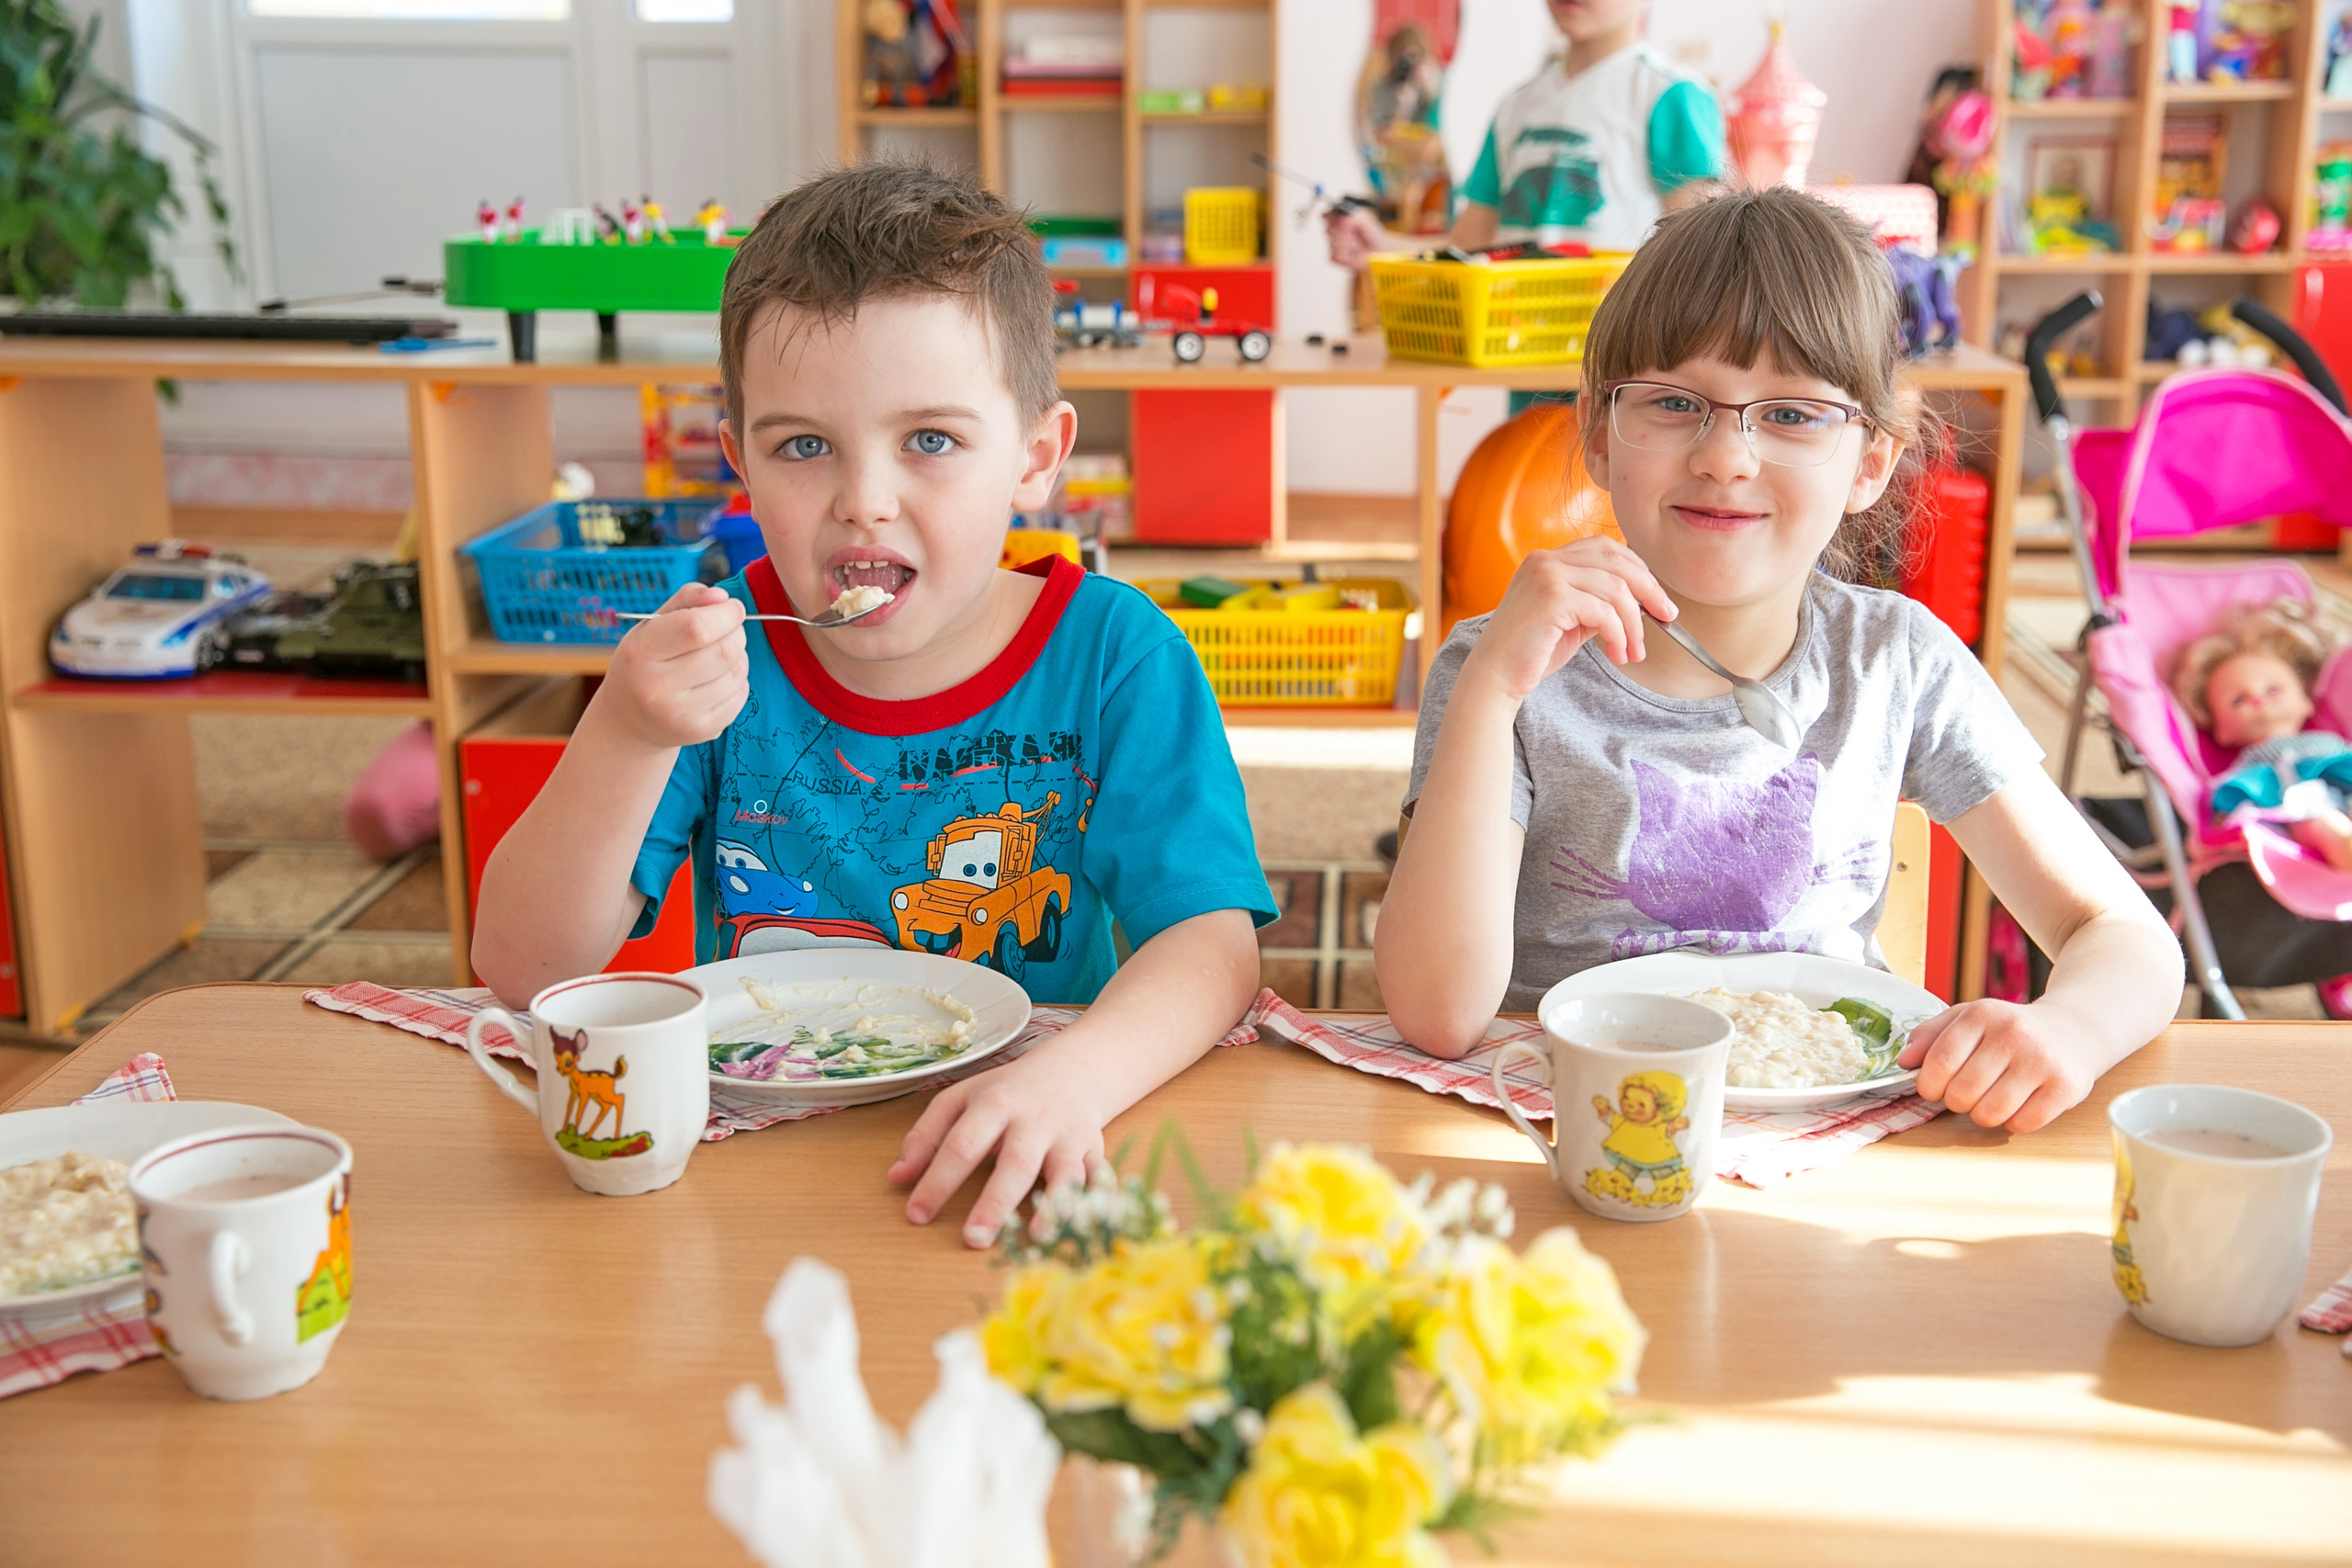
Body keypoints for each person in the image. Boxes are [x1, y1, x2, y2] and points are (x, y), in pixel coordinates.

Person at [473, 162, 1274, 1243]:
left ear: (1036, 456)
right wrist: (624, 733)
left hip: (1017, 1146)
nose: (864, 501)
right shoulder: (716, 661)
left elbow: (1212, 946)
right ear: (741, 465)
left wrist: (1076, 1079)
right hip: (756, 1162)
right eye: (804, 446)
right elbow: (524, 969)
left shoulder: (1116, 655)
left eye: (930, 441)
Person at [1376, 186, 2183, 1134]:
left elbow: (2124, 937)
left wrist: (2071, 1028)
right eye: (1674, 403)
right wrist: (1491, 692)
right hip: (1575, 1135)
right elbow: (1435, 1014)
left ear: (1872, 462)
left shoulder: (1894, 661)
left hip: (1833, 1146)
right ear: (1598, 432)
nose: (1725, 457)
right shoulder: (1499, 667)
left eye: (1793, 415)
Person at [1325, 0, 1724, 268]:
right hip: (1520, 354)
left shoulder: (1670, 94)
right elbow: (1468, 248)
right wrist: (1381, 247)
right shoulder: (1517, 106)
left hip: (1623, 365)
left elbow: (1700, 257)